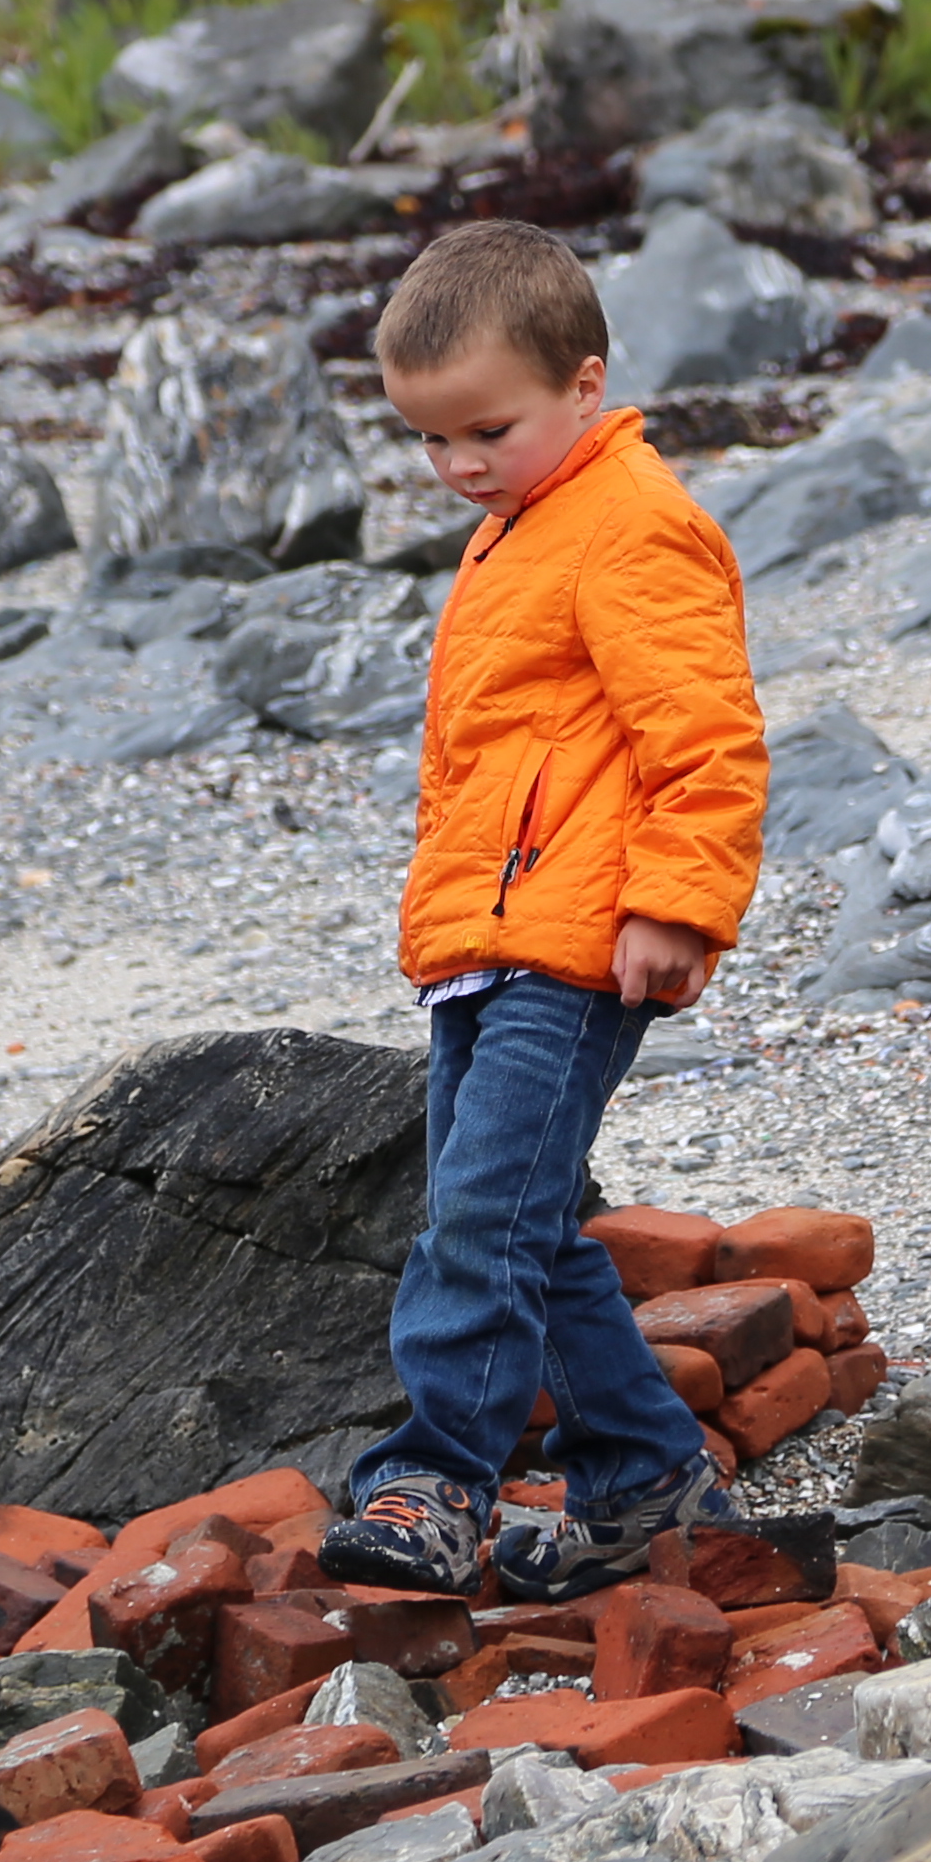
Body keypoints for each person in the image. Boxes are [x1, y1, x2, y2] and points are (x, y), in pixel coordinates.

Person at [319, 220, 769, 1602]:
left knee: (479, 1223)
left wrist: (677, 907)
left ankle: (431, 1482)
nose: (459, 467)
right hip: (489, 947)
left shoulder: (632, 524)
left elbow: (708, 738)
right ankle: (638, 1465)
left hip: (576, 951)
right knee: (522, 1218)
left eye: (486, 431)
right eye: (432, 442)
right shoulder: (524, 521)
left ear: (586, 384)